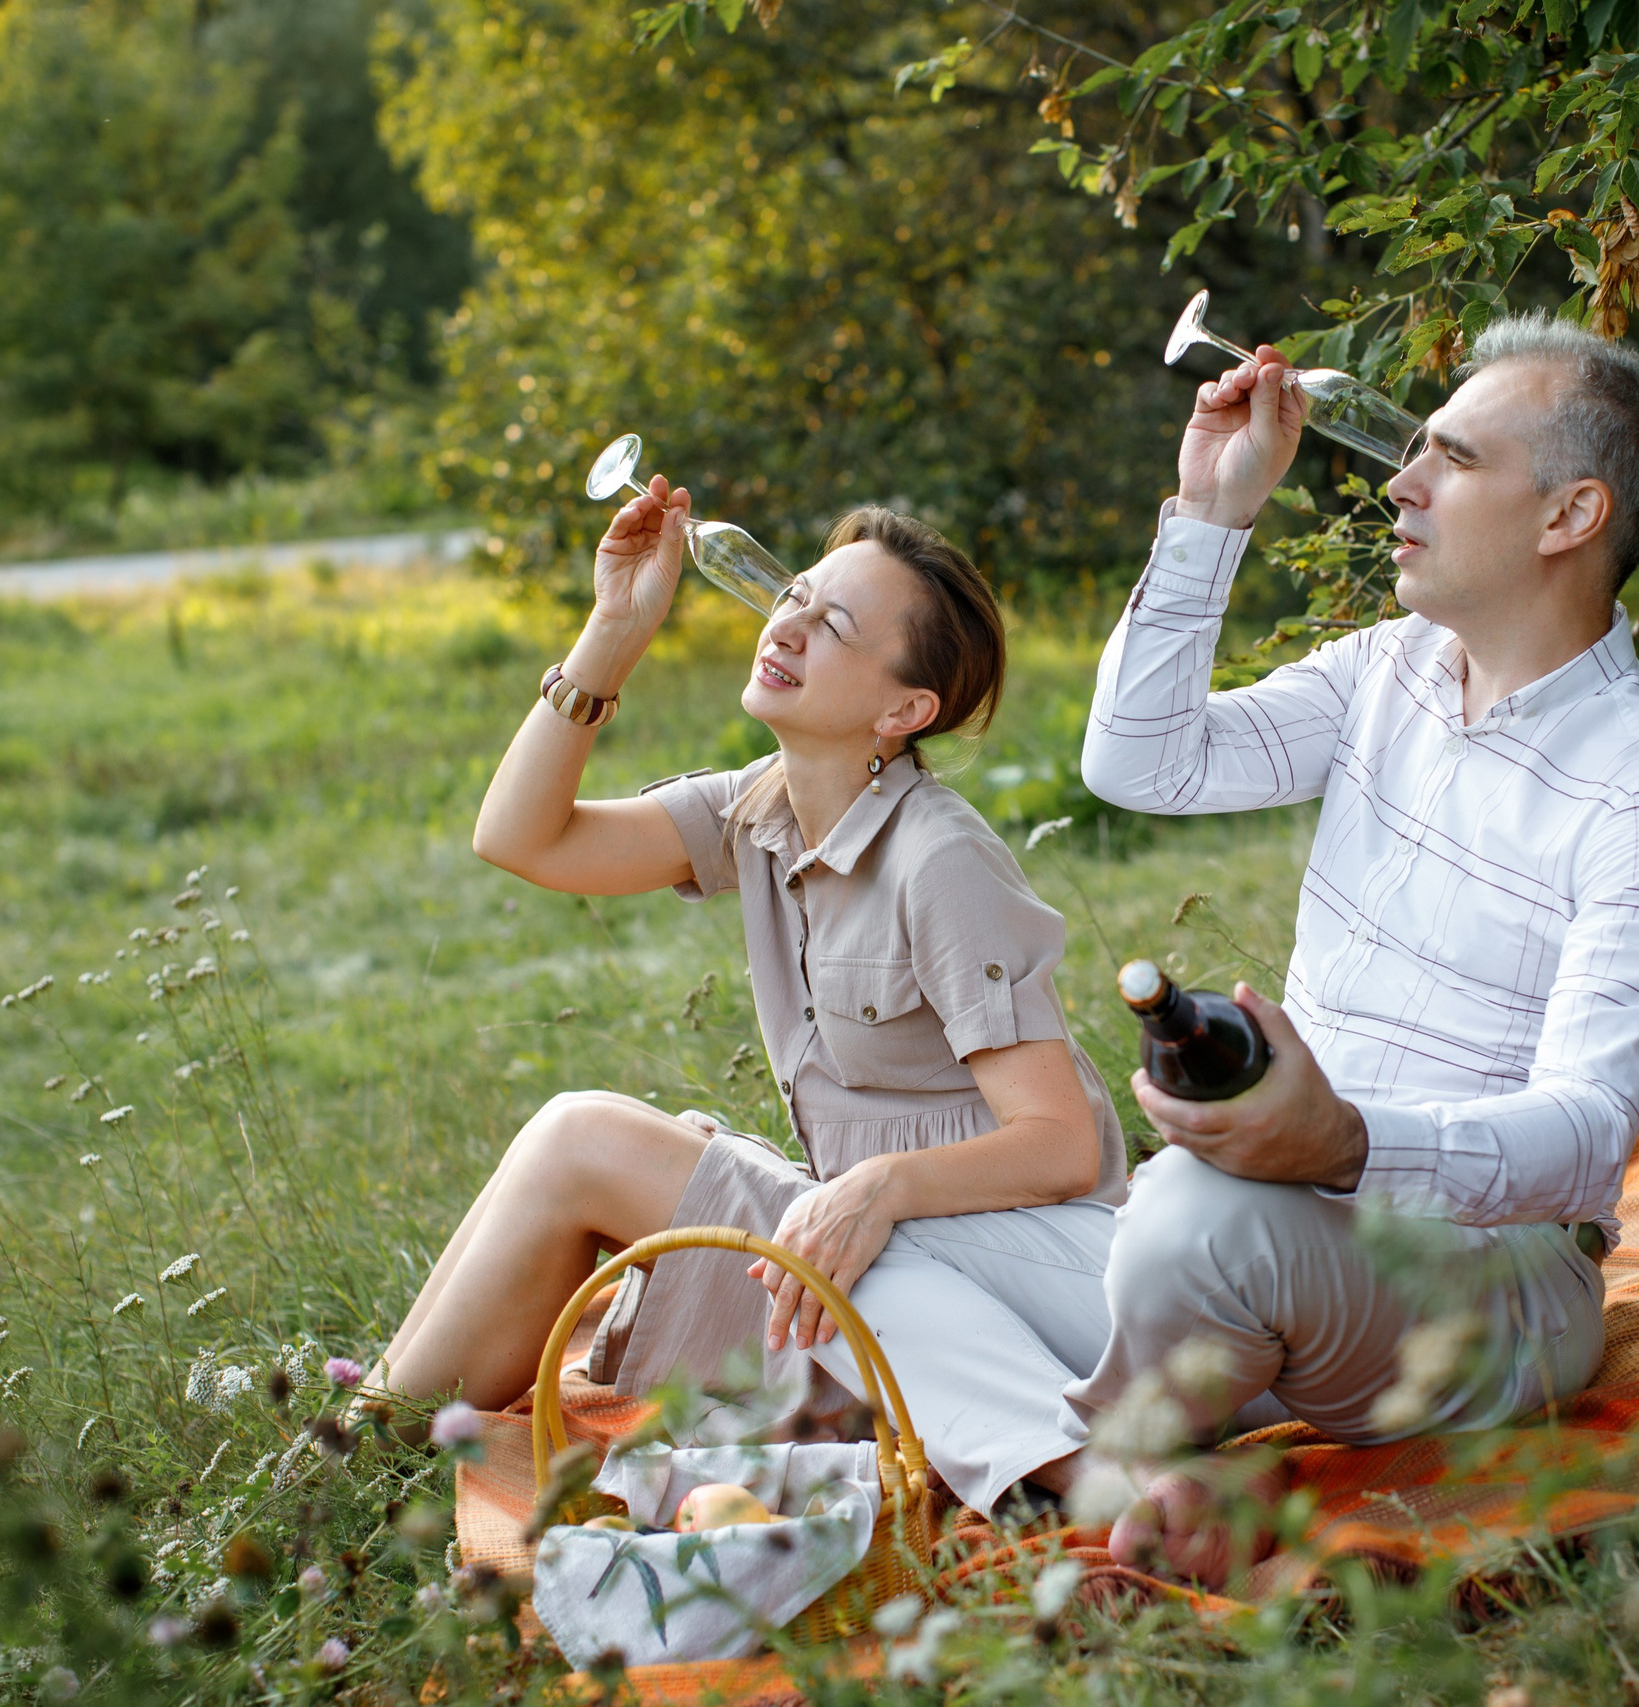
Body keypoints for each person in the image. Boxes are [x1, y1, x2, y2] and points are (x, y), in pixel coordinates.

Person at [1056, 311, 1639, 1583]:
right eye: (1412, 449)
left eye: (1454, 459)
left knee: (1184, 1224)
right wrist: (1210, 514)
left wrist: (1347, 1145)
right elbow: (1141, 762)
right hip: (1293, 1218)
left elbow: (1589, 1133)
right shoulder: (1390, 674)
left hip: (1495, 1286)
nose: (1398, 483)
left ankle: (1096, 1454)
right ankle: (1136, 1446)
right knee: (953, 1240)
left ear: (1567, 518)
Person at [378, 476, 1130, 1514]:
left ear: (902, 711)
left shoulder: (939, 859)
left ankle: (363, 1442)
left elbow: (1062, 1148)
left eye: (834, 626)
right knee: (573, 1144)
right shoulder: (760, 810)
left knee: (582, 1136)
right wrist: (612, 632)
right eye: (794, 597)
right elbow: (519, 839)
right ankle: (375, 1426)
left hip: (989, 1280)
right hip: (856, 1264)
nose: (787, 627)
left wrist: (879, 1188)